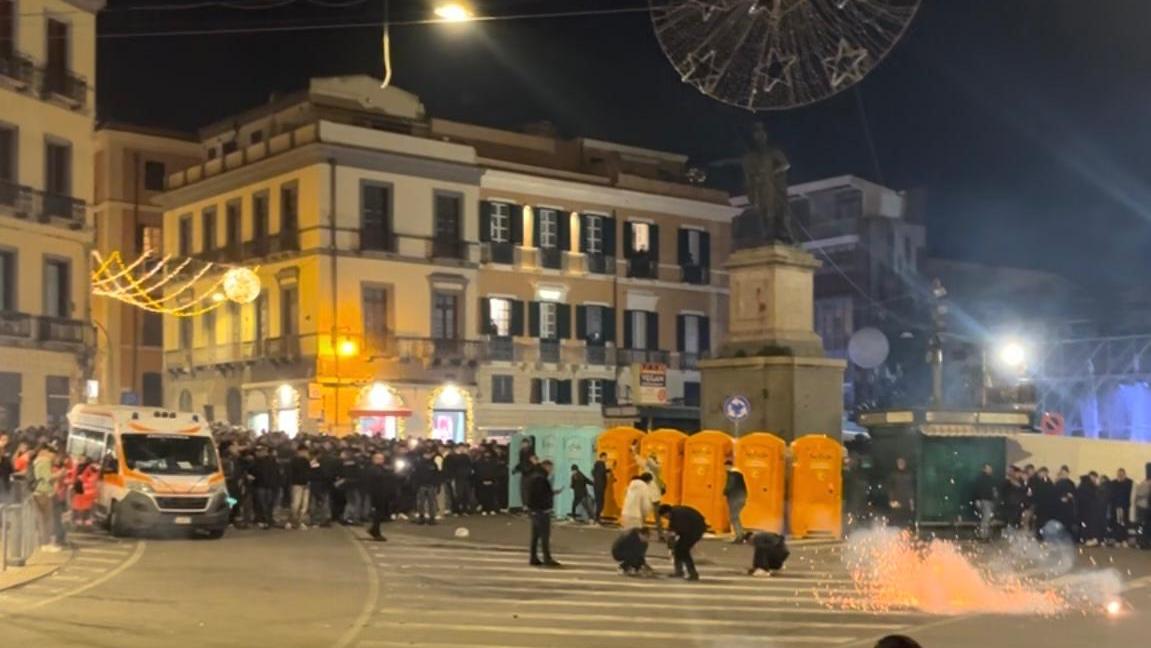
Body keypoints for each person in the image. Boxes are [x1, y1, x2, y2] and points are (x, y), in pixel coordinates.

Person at [525, 460, 561, 567]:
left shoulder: (533, 476)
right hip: (541, 511)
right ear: (546, 467)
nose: (551, 471)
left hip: (534, 510)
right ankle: (547, 558)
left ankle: (533, 558)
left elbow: (533, 493)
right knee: (544, 535)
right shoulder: (541, 478)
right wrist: (548, 501)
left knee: (535, 536)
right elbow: (541, 495)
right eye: (551, 468)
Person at [659, 503, 705, 581]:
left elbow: (681, 529)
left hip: (695, 530)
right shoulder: (674, 513)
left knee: (683, 550)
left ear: (667, 512)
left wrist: (672, 536)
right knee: (678, 549)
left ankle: (692, 574)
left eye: (665, 516)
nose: (666, 518)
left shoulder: (678, 515)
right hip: (692, 529)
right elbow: (673, 529)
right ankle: (679, 571)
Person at [31, 444, 62, 552]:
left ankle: (42, 542)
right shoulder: (45, 462)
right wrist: (60, 474)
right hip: (44, 493)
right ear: (48, 452)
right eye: (53, 454)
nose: (54, 457)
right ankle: (46, 544)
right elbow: (48, 477)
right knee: (47, 520)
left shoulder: (36, 461)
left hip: (37, 492)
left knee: (41, 519)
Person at [250, 444, 282, 530]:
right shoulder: (256, 462)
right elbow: (253, 472)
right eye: (258, 451)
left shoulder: (272, 461)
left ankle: (267, 520)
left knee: (268, 504)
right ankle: (266, 520)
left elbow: (276, 473)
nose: (259, 453)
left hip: (268, 486)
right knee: (263, 504)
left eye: (261, 451)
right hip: (261, 485)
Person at [363, 452, 391, 542]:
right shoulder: (373, 469)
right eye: (378, 458)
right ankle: (375, 531)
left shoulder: (381, 468)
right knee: (378, 513)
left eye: (382, 458)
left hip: (382, 493)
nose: (381, 460)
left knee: (380, 513)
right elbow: (378, 478)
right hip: (377, 494)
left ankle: (375, 530)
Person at [412, 448, 441, 525]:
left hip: (431, 486)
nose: (428, 455)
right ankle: (421, 517)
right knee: (421, 503)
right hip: (422, 485)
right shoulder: (419, 464)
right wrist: (416, 485)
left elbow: (437, 475)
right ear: (423, 455)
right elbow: (415, 475)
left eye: (429, 454)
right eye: (426, 454)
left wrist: (437, 485)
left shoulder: (433, 464)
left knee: (432, 503)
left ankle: (432, 518)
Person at [443, 444, 473, 516]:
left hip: (465, 478)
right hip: (456, 478)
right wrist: (450, 477)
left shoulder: (466, 457)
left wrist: (469, 473)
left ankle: (464, 510)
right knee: (457, 494)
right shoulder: (450, 457)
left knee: (466, 494)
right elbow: (447, 468)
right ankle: (456, 510)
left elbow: (469, 466)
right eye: (461, 448)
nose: (463, 449)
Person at [287, 444, 312, 529]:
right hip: (297, 484)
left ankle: (300, 521)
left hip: (306, 484)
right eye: (304, 451)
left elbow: (311, 471)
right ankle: (292, 521)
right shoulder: (294, 460)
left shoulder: (308, 461)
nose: (306, 453)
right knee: (296, 504)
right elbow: (291, 473)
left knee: (304, 505)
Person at [886, 457, 915, 528]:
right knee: (895, 519)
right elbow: (890, 488)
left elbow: (911, 488)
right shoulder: (893, 475)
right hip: (897, 501)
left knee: (906, 520)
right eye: (899, 462)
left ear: (905, 463)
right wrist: (891, 500)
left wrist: (911, 501)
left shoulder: (909, 475)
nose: (901, 464)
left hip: (906, 502)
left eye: (902, 462)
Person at [70, 458, 99, 528]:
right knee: (85, 506)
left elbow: (77, 477)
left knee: (78, 505)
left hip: (81, 489)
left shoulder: (81, 467)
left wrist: (75, 482)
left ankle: (78, 519)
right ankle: (85, 520)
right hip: (87, 490)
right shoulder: (93, 469)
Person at [973, 463, 999, 541]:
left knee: (986, 519)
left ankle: (985, 535)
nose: (990, 470)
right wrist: (977, 499)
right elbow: (977, 490)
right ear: (983, 469)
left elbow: (993, 490)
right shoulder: (980, 479)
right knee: (986, 519)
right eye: (988, 468)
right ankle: (983, 536)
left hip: (989, 501)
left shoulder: (990, 479)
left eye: (990, 468)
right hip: (984, 501)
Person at [724, 459, 748, 542]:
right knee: (735, 517)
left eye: (725, 467)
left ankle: (739, 536)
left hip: (735, 498)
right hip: (741, 497)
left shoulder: (732, 474)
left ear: (728, 466)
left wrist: (725, 491)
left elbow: (730, 485)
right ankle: (740, 534)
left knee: (734, 517)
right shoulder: (738, 474)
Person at [1111, 468, 1134, 545]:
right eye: (1119, 474)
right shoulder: (1114, 483)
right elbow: (1113, 495)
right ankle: (1118, 539)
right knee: (1117, 524)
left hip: (1125, 507)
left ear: (1124, 474)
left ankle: (1124, 539)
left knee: (1124, 524)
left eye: (1121, 474)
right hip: (1117, 507)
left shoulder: (1129, 483)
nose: (1120, 476)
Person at [1054, 466, 1077, 539]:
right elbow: (1054, 494)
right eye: (1063, 473)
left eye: (1066, 473)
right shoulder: (1057, 483)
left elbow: (1075, 494)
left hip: (1068, 507)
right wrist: (1060, 499)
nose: (1064, 475)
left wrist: (1071, 496)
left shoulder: (1071, 483)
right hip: (1059, 508)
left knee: (1068, 523)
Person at [474, 450, 501, 515]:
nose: (487, 455)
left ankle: (491, 509)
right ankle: (484, 509)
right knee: (483, 496)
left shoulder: (493, 462)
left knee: (491, 496)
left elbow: (495, 472)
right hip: (482, 481)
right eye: (486, 453)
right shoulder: (479, 462)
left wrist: (492, 480)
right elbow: (478, 472)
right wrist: (482, 480)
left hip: (491, 481)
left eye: (488, 453)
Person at [1135, 465, 1151, 550]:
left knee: (1144, 526)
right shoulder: (1145, 483)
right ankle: (1141, 542)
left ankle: (1144, 542)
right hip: (1143, 508)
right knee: (1142, 526)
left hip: (1145, 507)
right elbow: (1140, 495)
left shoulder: (1143, 483)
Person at [592, 452, 610, 523]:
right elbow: (602, 472)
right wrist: (609, 470)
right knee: (600, 502)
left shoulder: (596, 464)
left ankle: (596, 517)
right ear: (603, 457)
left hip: (596, 486)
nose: (606, 459)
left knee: (598, 501)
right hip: (600, 486)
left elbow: (593, 472)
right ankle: (597, 517)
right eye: (605, 457)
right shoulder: (601, 463)